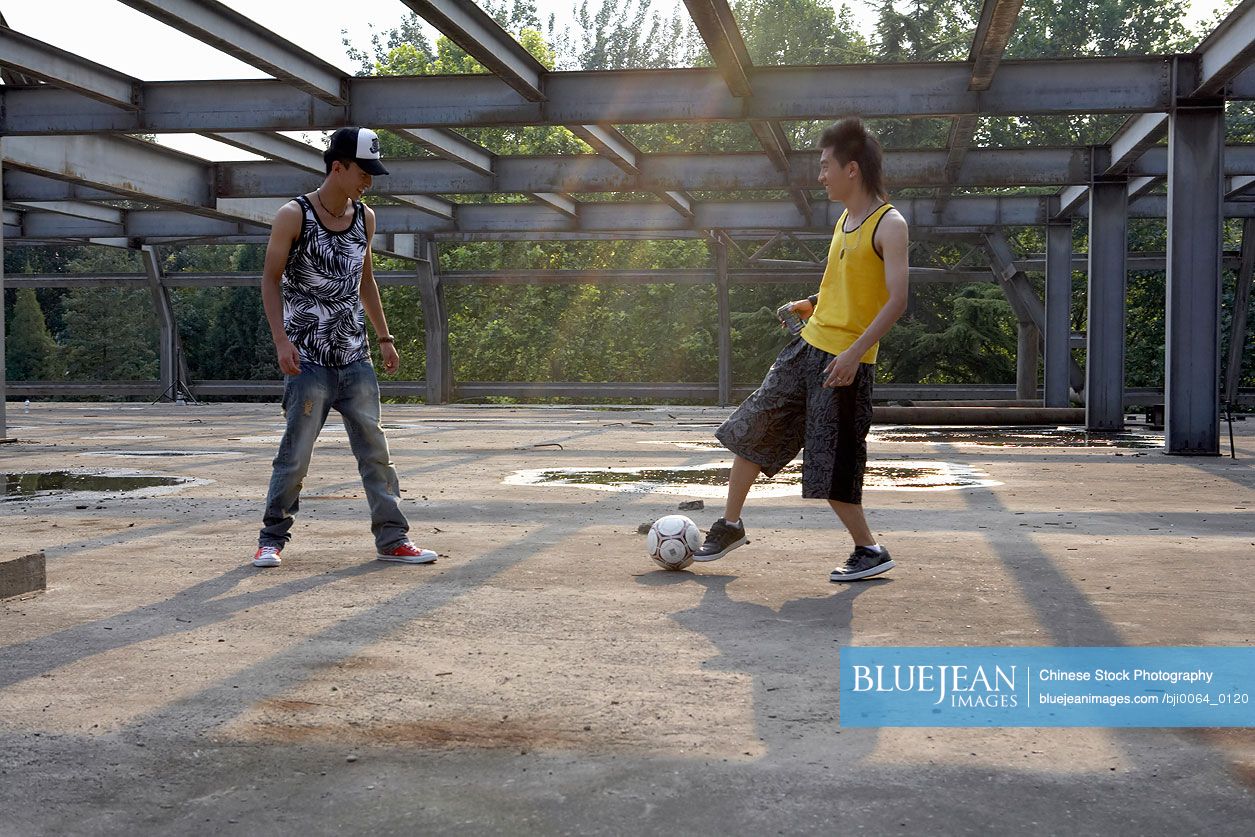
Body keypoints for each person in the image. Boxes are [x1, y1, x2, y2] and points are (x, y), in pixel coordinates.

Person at [693, 117, 909, 581]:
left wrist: (853, 354)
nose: (820, 174)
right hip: (806, 348)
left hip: (845, 364)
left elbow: (897, 300)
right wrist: (810, 303)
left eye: (825, 165)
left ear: (852, 168)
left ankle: (869, 549)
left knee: (832, 464)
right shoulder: (844, 220)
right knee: (754, 426)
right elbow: (844, 283)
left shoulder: (889, 224)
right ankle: (730, 524)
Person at [250, 127, 436, 568]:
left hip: (356, 358)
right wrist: (281, 340)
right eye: (363, 171)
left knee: (376, 451)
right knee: (295, 454)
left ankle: (393, 541)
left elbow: (364, 279)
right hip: (308, 361)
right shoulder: (293, 215)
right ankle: (271, 539)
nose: (369, 180)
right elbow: (270, 279)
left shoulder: (365, 217)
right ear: (338, 166)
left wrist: (385, 338)